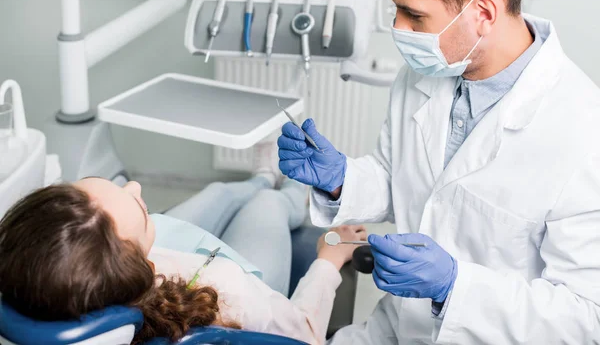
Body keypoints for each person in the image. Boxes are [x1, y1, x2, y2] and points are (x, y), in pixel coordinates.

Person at [278, 0, 600, 343]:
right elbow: (403, 182)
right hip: (392, 330)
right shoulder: (427, 71)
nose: (399, 27)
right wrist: (341, 179)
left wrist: (454, 287)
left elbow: (586, 318)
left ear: (483, 13)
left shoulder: (584, 133)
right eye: (396, 9)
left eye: (414, 15)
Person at [0, 141, 367, 345]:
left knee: (219, 191)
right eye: (138, 209)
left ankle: (260, 177)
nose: (136, 185)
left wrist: (140, 221)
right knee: (267, 205)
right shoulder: (230, 299)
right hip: (227, 273)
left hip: (177, 255)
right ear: (134, 267)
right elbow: (305, 335)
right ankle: (287, 189)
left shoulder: (64, 275)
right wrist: (329, 258)